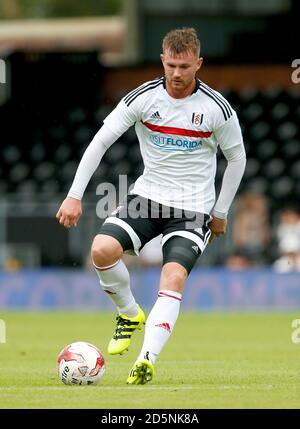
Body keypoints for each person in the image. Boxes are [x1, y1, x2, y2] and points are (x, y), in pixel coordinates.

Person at [56, 28, 246, 385]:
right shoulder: (142, 98)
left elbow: (237, 159)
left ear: (198, 64)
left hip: (193, 209)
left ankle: (146, 359)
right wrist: (74, 194)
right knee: (101, 250)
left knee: (172, 277)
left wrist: (219, 212)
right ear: (162, 60)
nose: (177, 73)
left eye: (185, 66)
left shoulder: (216, 108)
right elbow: (100, 143)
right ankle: (129, 313)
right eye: (171, 65)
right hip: (147, 198)